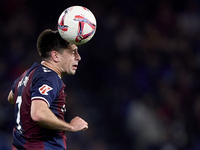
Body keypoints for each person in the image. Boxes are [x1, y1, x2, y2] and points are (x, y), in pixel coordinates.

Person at [7, 29, 88, 150]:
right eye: (73, 52)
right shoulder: (50, 77)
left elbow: (11, 97)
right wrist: (71, 127)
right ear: (55, 55)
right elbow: (38, 114)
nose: (79, 57)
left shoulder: (27, 74)